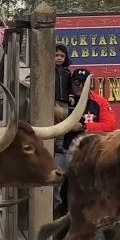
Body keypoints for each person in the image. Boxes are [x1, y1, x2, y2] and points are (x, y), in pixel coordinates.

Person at [62, 68, 118, 240]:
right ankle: (59, 239)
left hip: (89, 156)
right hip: (63, 152)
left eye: (83, 83)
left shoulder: (98, 101)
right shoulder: (64, 99)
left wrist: (86, 127)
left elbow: (110, 125)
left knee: (89, 199)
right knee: (55, 196)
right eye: (76, 82)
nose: (79, 86)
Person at [52, 44, 72, 219]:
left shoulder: (67, 73)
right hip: (50, 103)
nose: (59, 58)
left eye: (62, 56)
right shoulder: (47, 71)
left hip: (65, 105)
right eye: (56, 55)